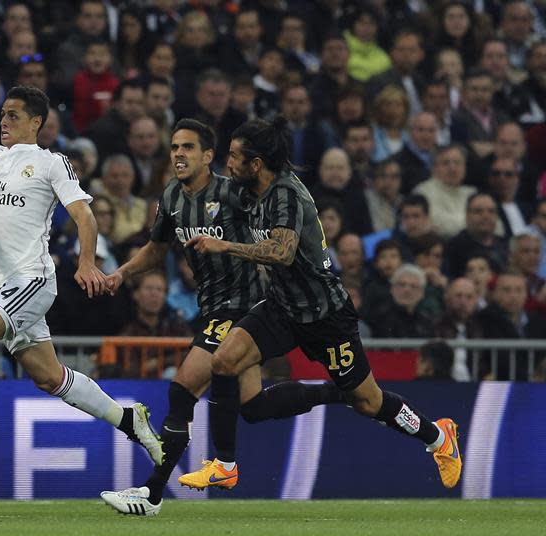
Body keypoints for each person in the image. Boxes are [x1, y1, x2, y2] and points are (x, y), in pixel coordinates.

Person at [178, 116, 461, 492]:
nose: (228, 164)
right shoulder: (250, 190)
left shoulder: (287, 195)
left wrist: (225, 245)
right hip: (282, 307)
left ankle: (438, 437)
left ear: (256, 164)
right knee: (223, 361)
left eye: (233, 157)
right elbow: (213, 190)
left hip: (326, 315)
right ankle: (225, 466)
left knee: (368, 401)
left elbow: (281, 252)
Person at [100, 118, 344, 516]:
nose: (179, 154)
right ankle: (341, 393)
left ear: (208, 156)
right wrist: (123, 272)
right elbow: (157, 248)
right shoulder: (172, 199)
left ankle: (151, 493)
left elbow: (274, 230)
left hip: (245, 304)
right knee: (253, 406)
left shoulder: (234, 193)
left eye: (188, 148)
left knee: (182, 389)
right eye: (175, 147)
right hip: (212, 307)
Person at [0, 86, 162, 479]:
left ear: (36, 122)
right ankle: (128, 418)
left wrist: (85, 263)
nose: (4, 121)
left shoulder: (52, 164)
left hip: (33, 280)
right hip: (2, 287)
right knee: (50, 377)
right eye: (2, 114)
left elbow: (85, 216)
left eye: (14, 115)